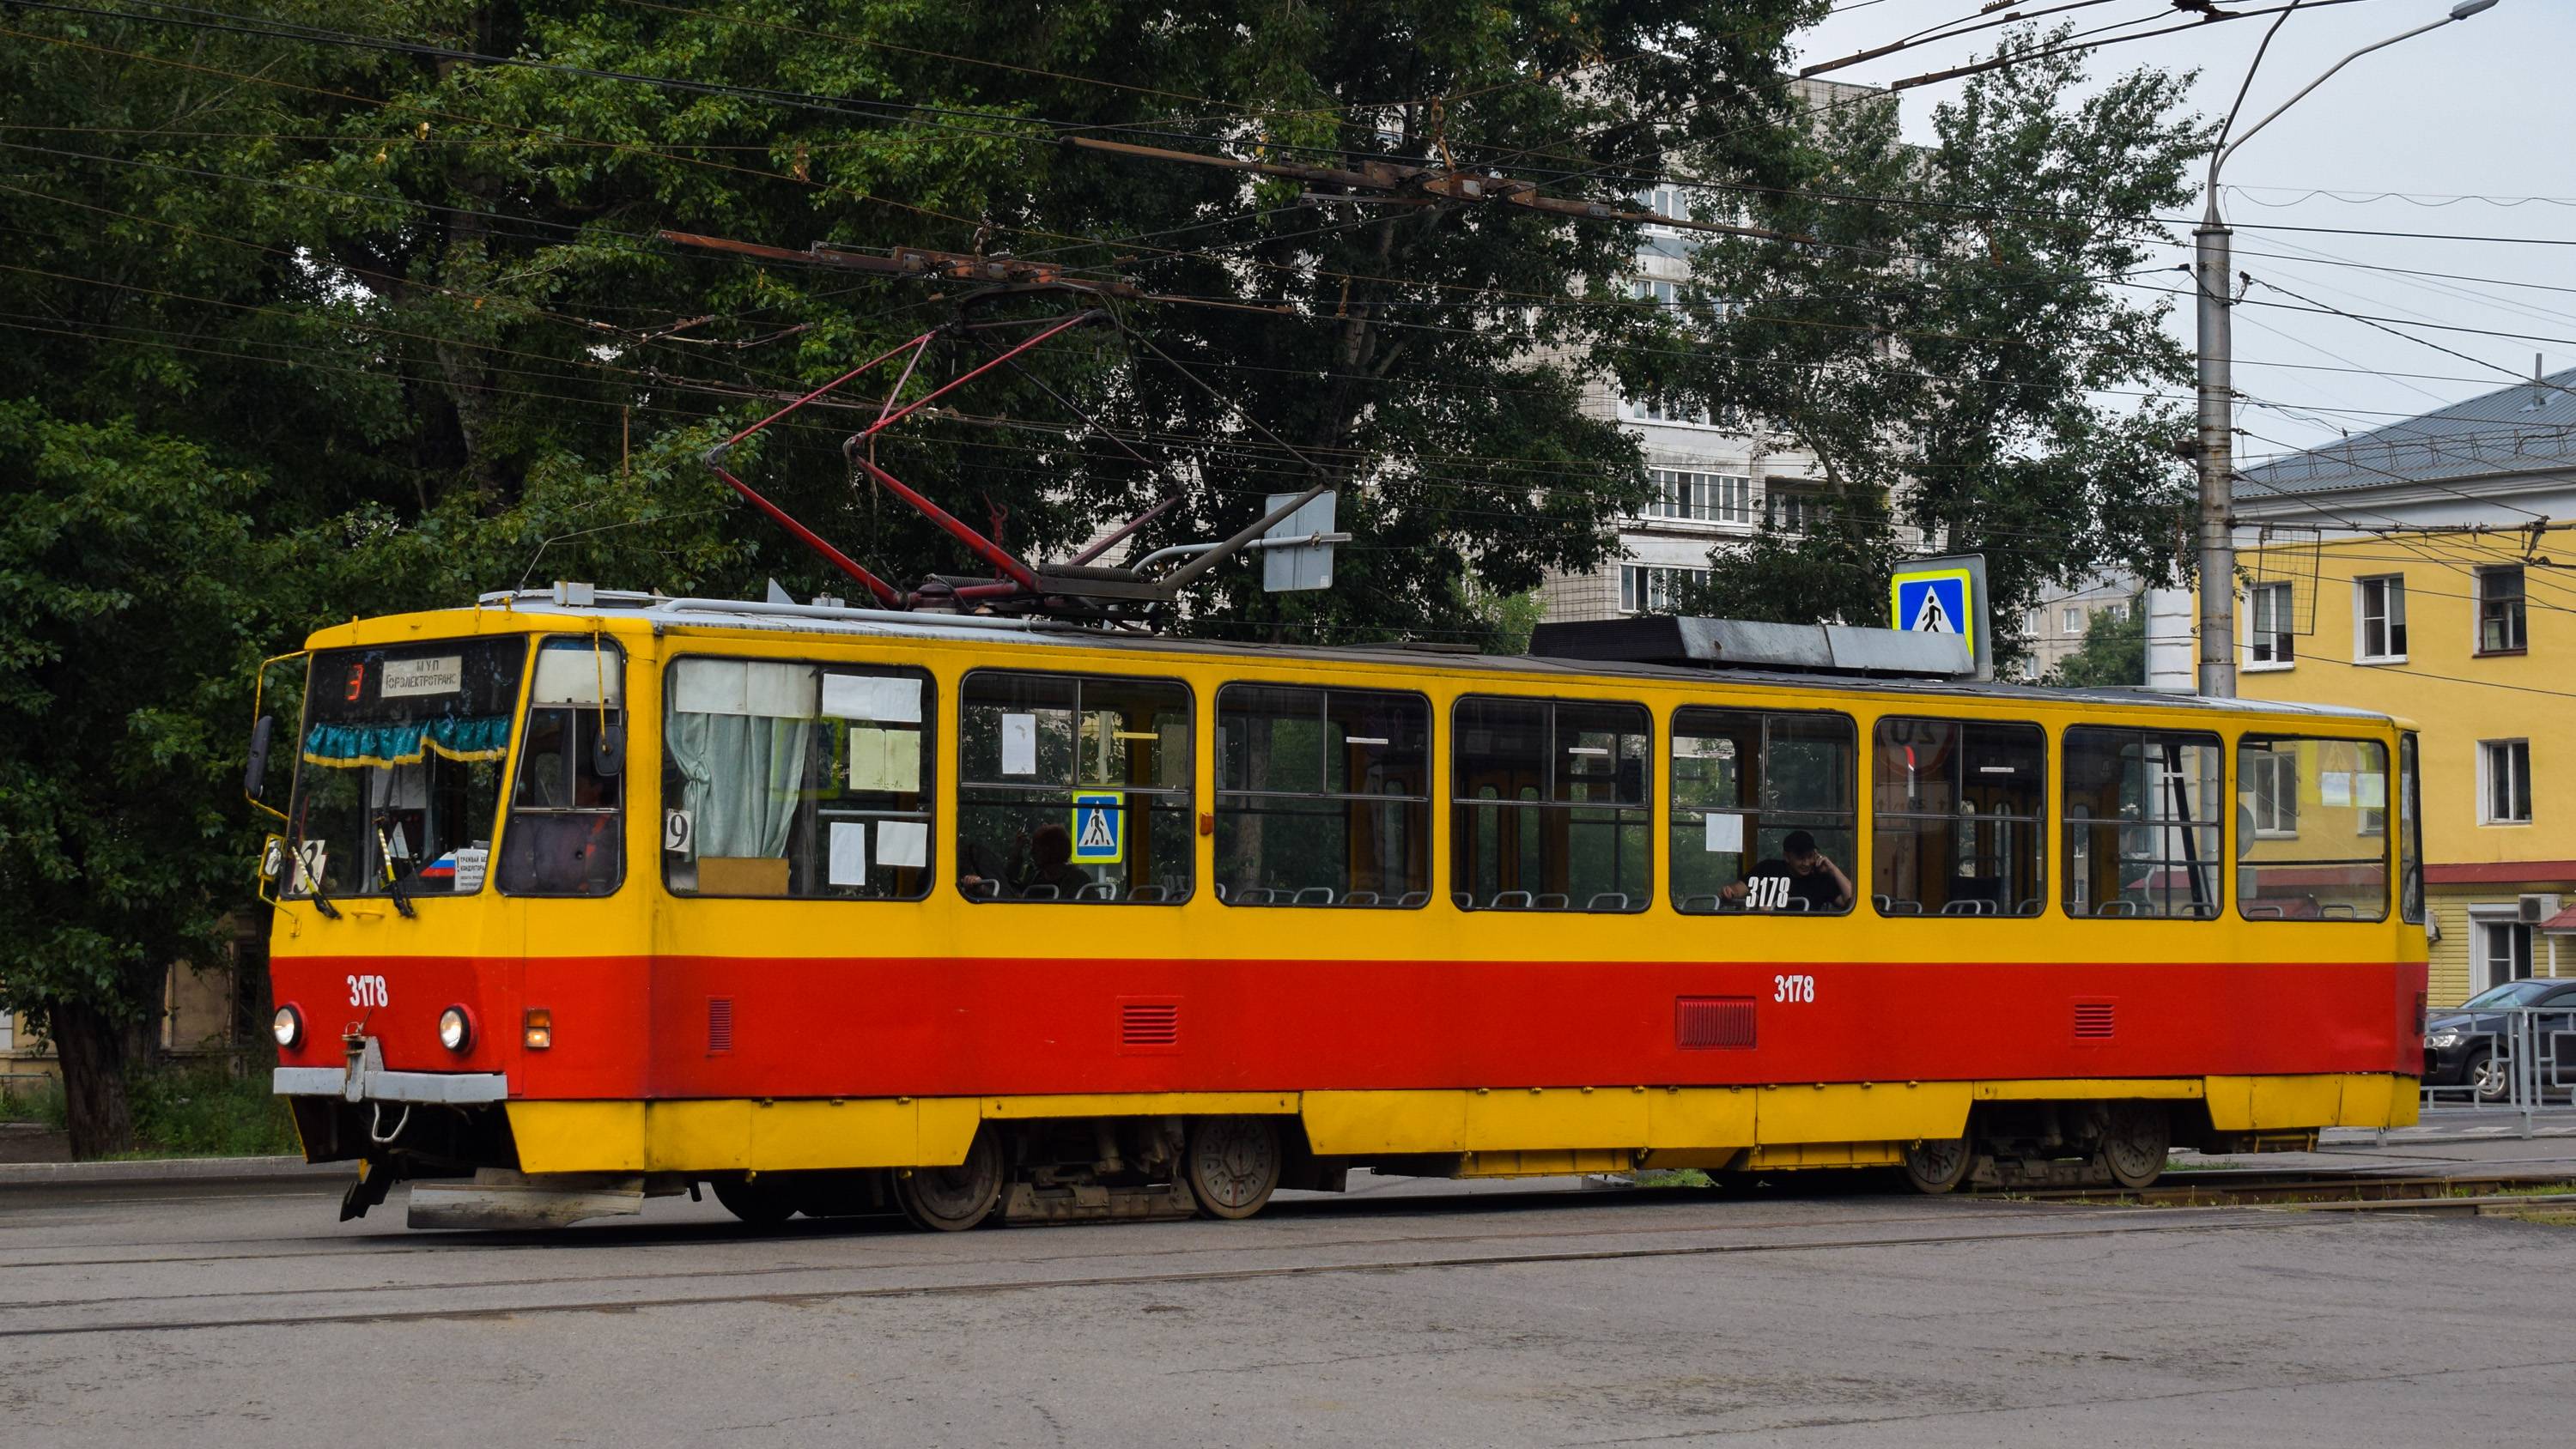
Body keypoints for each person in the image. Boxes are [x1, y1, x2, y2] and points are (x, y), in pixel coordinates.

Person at [1722, 829, 1853, 912]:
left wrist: (1833, 869)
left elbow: (1851, 902)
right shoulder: (1768, 869)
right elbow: (1739, 888)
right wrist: (1730, 892)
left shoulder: (1820, 878)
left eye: (1810, 857)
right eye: (1800, 858)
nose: (1806, 863)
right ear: (1787, 857)